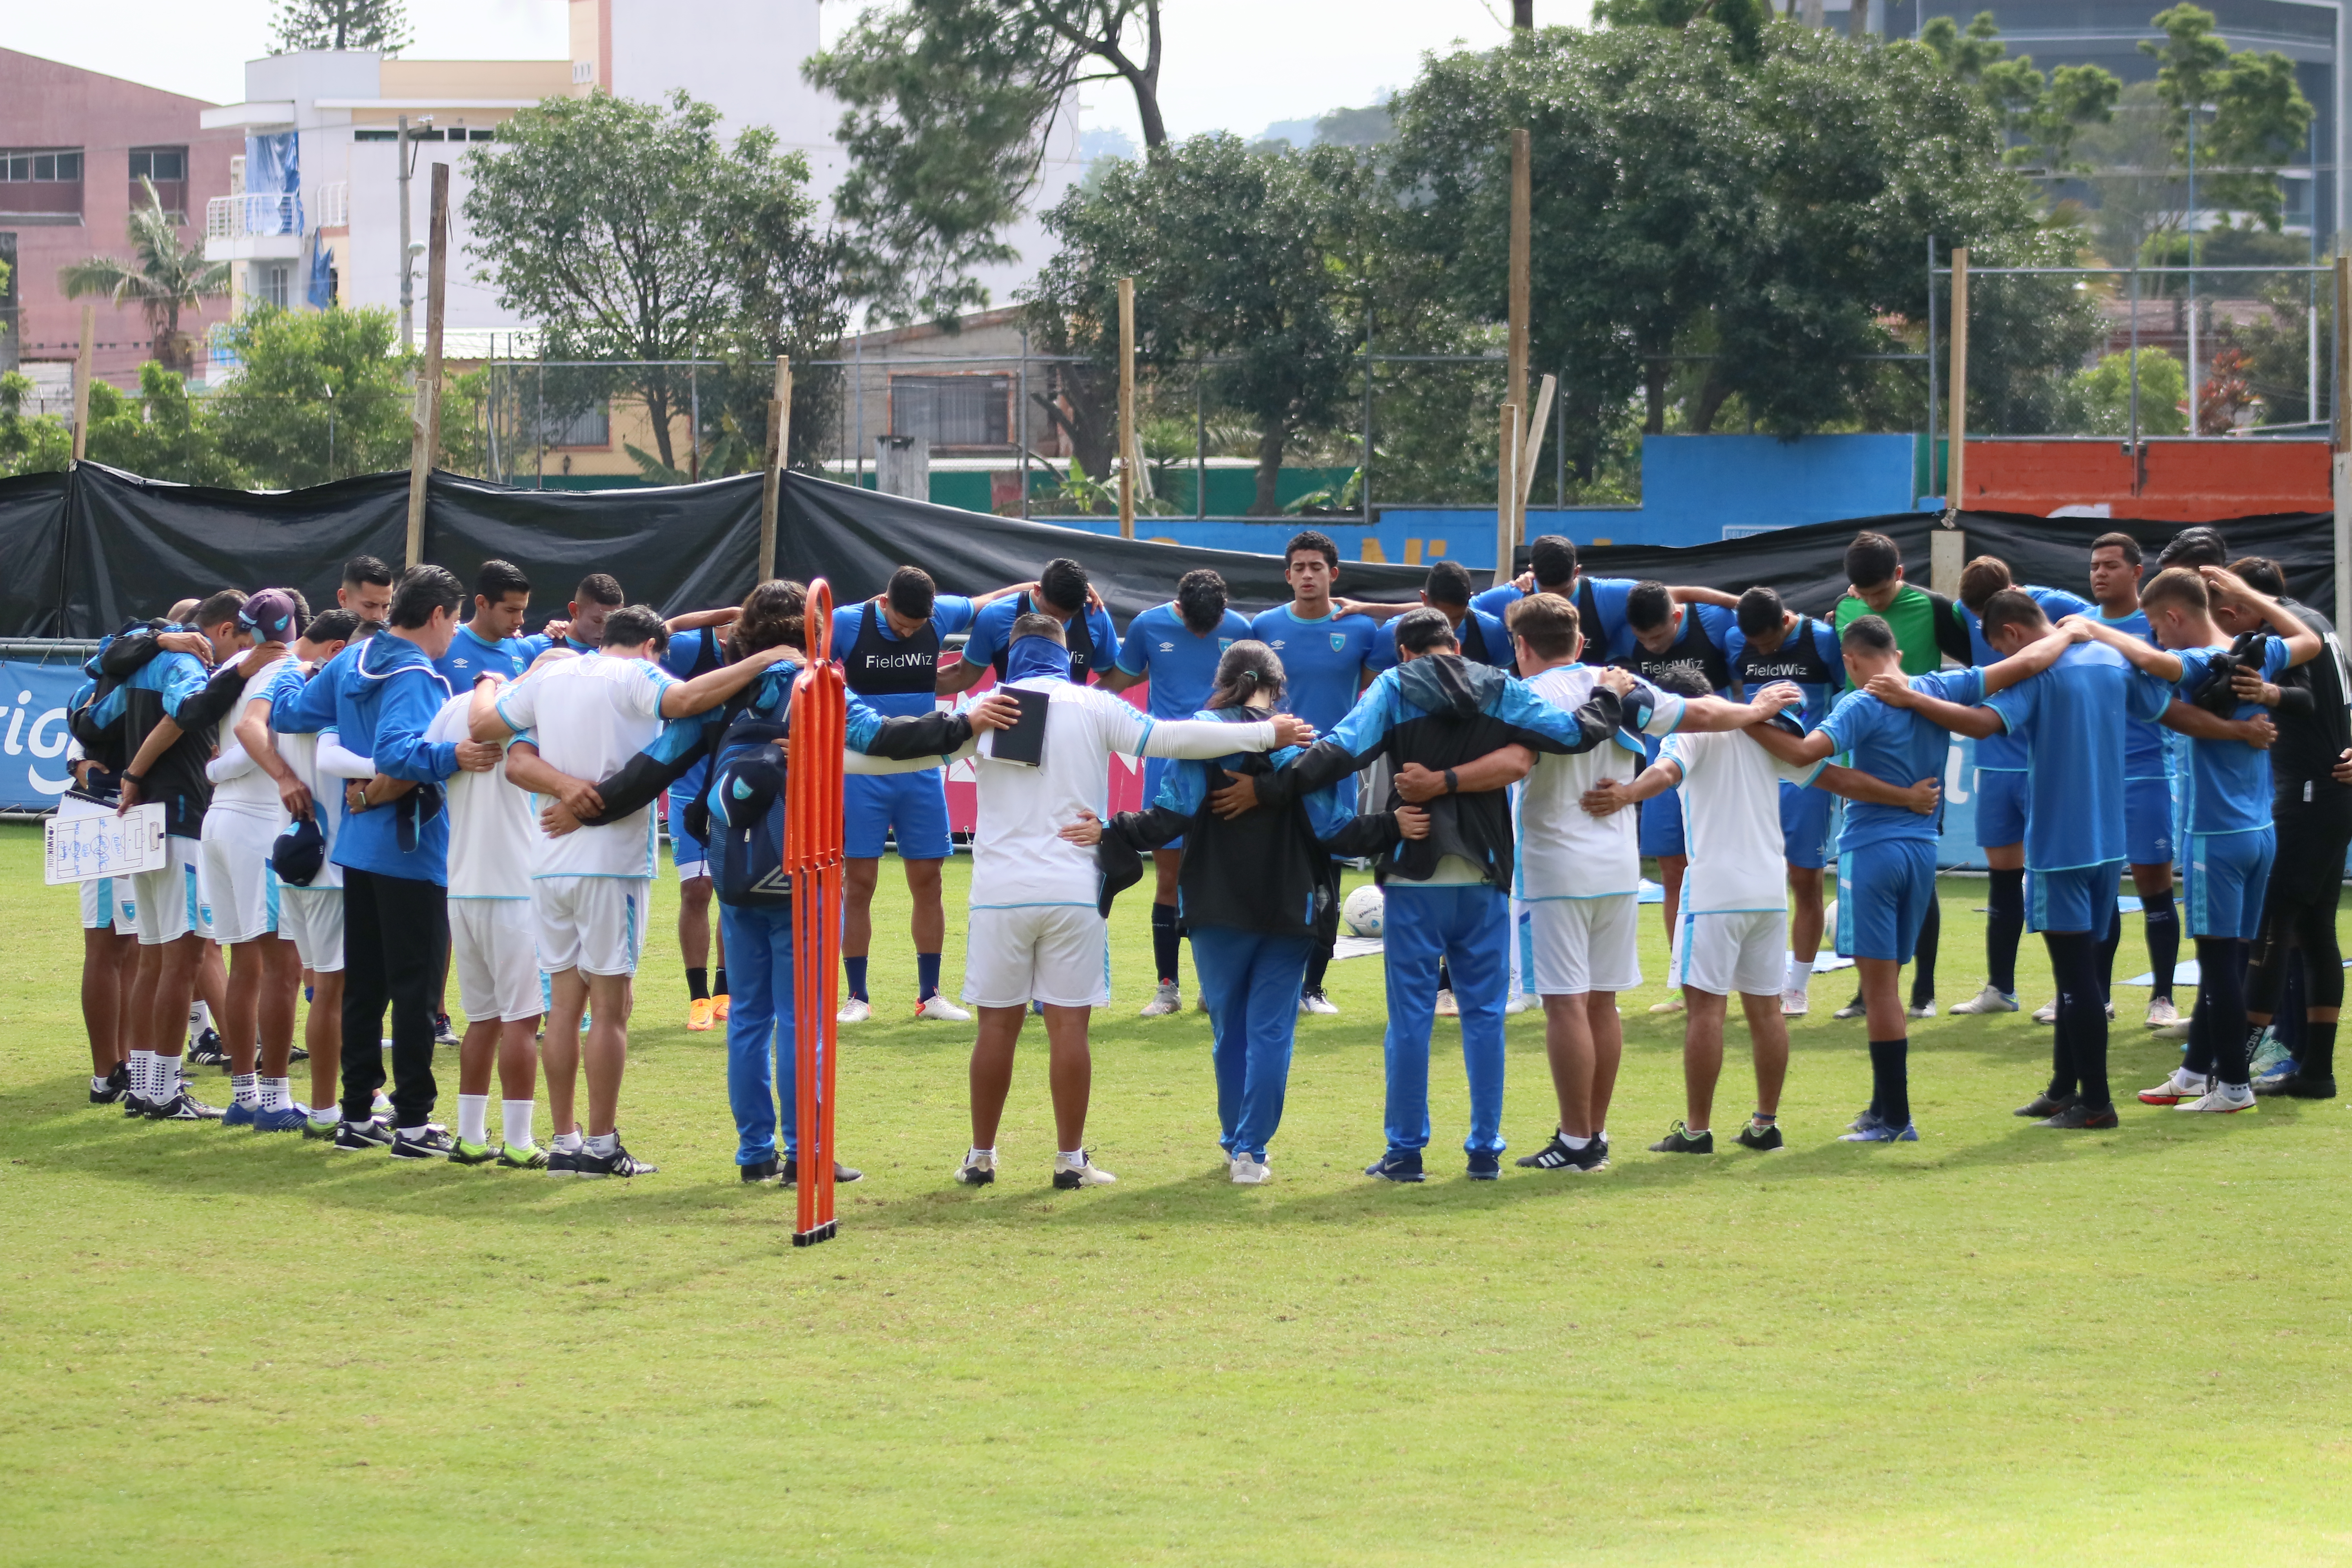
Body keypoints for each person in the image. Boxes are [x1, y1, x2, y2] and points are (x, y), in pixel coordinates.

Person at [1216, 607, 1630, 1182]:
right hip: (1485, 871)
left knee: (1411, 1020)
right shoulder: (1499, 684)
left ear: (1404, 653)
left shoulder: (1393, 686)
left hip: (1415, 870)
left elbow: (1337, 754)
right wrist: (1607, 694)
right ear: (1455, 645)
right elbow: (1574, 733)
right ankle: (1484, 1151)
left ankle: (1406, 1154)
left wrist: (1266, 788)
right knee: (1484, 1017)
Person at [951, 612, 1314, 1191]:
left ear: (1008, 655)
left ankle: (980, 1157)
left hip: (997, 893)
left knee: (996, 1028)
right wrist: (1266, 734)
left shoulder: (980, 709)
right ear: (1066, 654)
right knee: (1069, 1028)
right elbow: (1170, 738)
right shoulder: (1095, 704)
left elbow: (908, 752)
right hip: (1074, 888)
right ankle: (1070, 1160)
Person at [687, 581, 1025, 1182]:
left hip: (736, 869)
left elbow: (667, 747)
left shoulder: (718, 689)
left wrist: (589, 800)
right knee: (801, 1020)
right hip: (802, 869)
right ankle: (806, 1155)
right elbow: (882, 738)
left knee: (748, 1019)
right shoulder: (819, 686)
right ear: (815, 633)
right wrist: (963, 723)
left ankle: (755, 1156)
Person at [475, 604, 805, 1176]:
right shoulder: (637, 675)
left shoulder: (552, 675)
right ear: (652, 647)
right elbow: (687, 701)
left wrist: (561, 782)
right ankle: (602, 1145)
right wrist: (767, 658)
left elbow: (495, 739)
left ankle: (565, 1141)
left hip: (548, 859)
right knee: (611, 1009)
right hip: (611, 863)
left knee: (563, 1007)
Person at [1085, 641, 1424, 1182]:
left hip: (1215, 903)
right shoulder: (1305, 742)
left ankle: (1233, 1141)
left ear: (1222, 681)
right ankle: (1251, 1152)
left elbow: (1169, 817)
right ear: (1279, 685)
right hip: (1290, 905)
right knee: (1271, 1033)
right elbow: (1335, 830)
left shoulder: (1202, 735)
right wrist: (1392, 825)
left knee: (1230, 1034)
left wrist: (1109, 829)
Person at [1506, 593, 1816, 1173]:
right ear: (1580, 641)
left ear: (1521, 646)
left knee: (1567, 1006)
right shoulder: (1624, 687)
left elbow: (1671, 759)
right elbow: (1705, 716)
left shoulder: (1522, 694)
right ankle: (1598, 1134)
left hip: (1557, 868)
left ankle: (1579, 1140)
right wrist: (1754, 710)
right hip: (1623, 870)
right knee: (1605, 1003)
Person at [1745, 612, 2079, 1142]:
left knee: (1879, 992)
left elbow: (1805, 754)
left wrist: (1748, 719)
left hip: (1871, 852)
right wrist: (2072, 632)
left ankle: (1897, 1120)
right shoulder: (1937, 687)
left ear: (1850, 661)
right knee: (1891, 985)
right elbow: (2025, 662)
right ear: (1897, 654)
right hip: (1923, 852)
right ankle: (1882, 1107)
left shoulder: (1859, 703)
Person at [1581, 699, 1940, 1154]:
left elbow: (1667, 772)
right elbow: (1838, 779)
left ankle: (1696, 1131)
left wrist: (1627, 794)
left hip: (1714, 894)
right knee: (1767, 1011)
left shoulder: (1686, 732)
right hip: (1769, 894)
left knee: (1706, 1012)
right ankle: (1765, 1125)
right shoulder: (1766, 735)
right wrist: (1906, 797)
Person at [1869, 592, 2174, 1129]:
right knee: (2075, 974)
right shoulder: (2110, 658)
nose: (2003, 661)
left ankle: (2097, 1104)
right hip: (2109, 839)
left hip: (2061, 844)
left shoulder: (2038, 673)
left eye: (1999, 650)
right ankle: (2062, 1088)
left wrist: (1910, 697)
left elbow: (1979, 724)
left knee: (2076, 979)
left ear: (2011, 634)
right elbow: (2161, 705)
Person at [272, 566, 499, 1158]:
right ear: (438, 615)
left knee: (365, 988)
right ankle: (414, 1124)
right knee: (416, 991)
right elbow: (398, 753)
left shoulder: (353, 658)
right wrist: (455, 754)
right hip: (411, 847)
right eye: (455, 621)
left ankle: (355, 1116)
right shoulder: (415, 672)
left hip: (359, 846)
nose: (454, 634)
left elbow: (290, 713)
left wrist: (283, 666)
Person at [2079, 567, 2319, 1114]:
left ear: (2173, 616)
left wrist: (2093, 628)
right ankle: (2194, 1073)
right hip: (2259, 832)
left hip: (2216, 837)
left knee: (2218, 967)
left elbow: (2155, 662)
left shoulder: (2197, 661)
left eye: (2157, 625)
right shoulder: (2255, 653)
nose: (2157, 637)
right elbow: (2307, 640)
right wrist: (2251, 595)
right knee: (2229, 962)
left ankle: (2232, 1086)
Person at [113, 590, 289, 1120]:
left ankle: (146, 1086)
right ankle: (165, 1091)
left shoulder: (147, 657)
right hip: (185, 817)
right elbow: (184, 717)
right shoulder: (202, 666)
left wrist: (132, 774)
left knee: (155, 958)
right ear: (221, 631)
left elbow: (98, 714)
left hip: (157, 817)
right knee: (185, 960)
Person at [832, 566, 1027, 1024]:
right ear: (883, 602)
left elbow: (995, 600)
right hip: (862, 775)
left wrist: (1042, 588)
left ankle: (930, 995)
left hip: (921, 773)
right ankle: (857, 997)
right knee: (858, 885)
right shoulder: (845, 622)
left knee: (930, 882)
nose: (908, 633)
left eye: (917, 628)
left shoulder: (942, 615)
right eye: (901, 625)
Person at [2216, 555, 2349, 1099]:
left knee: (2271, 929)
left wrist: (2267, 695)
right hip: (2325, 794)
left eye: (2226, 607)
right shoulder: (2317, 624)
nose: (2225, 622)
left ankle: (2233, 1072)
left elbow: (2307, 699)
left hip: (2311, 795)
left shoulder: (2287, 635)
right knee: (2315, 931)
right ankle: (2315, 1071)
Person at [1827, 531, 1972, 1021]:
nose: (1871, 602)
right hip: (1866, 765)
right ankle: (1869, 991)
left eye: (1880, 593)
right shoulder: (1844, 610)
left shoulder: (1934, 609)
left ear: (1901, 575)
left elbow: (1979, 661)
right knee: (1866, 879)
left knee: (1921, 879)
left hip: (1921, 770)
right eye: (1863, 594)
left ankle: (1924, 991)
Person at [1098, 568, 1254, 1016]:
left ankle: (1215, 986)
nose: (1203, 634)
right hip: (1167, 770)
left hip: (1227, 770)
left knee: (1220, 879)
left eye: (1212, 627)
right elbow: (1112, 685)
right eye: (1193, 626)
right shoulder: (1148, 625)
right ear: (1179, 608)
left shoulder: (1242, 630)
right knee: (1168, 879)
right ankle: (1167, 988)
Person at [1942, 556, 2092, 1020]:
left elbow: (2102, 630)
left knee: (2059, 877)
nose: (1984, 624)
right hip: (1995, 764)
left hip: (2047, 763)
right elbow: (1926, 605)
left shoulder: (2057, 606)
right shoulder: (1963, 610)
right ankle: (2001, 988)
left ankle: (2073, 991)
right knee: (2003, 878)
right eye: (1977, 617)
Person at [423, 657, 557, 1167]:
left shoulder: (456, 707)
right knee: (522, 1020)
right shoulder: (532, 713)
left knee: (482, 1020)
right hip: (515, 888)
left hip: (463, 886)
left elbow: (425, 759)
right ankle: (519, 1143)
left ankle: (472, 1136)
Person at [1246, 531, 1387, 1014]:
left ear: (1334, 574)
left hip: (1333, 775)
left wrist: (1374, 607)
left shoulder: (1362, 629)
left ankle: (1313, 987)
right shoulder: (1263, 626)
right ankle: (1264, 982)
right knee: (1270, 875)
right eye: (1300, 568)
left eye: (1317, 567)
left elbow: (1436, 614)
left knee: (1326, 879)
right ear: (1288, 575)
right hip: (1275, 770)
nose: (1308, 575)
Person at [235, 608, 361, 1133]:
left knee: (297, 980)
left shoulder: (285, 684)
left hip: (293, 857)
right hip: (333, 864)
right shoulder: (338, 697)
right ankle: (328, 1110)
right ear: (338, 652)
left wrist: (283, 776)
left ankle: (282, 1098)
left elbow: (248, 727)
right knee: (330, 990)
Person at [197, 590, 309, 1131]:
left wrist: (214, 772)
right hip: (257, 826)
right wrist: (217, 771)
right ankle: (274, 1098)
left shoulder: (233, 666)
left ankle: (245, 1096)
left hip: (221, 823)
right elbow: (253, 741)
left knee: (247, 964)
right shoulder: (282, 668)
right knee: (282, 967)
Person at [1725, 585, 1845, 1016]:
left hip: (1805, 780)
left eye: (1770, 642)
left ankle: (1796, 987)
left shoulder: (1823, 641)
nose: (1762, 650)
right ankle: (1760, 979)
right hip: (1751, 778)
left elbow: (1848, 695)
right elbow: (1737, 700)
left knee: (1805, 881)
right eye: (1754, 645)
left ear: (1786, 621)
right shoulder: (1735, 640)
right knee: (1746, 879)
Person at [2081, 532, 2185, 1031]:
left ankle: (2163, 997)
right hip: (2095, 778)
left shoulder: (2155, 625)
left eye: (2110, 565)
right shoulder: (2080, 625)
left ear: (2137, 572)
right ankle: (2098, 996)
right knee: (2100, 886)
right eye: (2094, 566)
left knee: (2154, 887)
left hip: (2148, 774)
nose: (2100, 573)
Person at [1619, 580, 1738, 1003]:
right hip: (1663, 765)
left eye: (1658, 637)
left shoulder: (1717, 624)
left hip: (1715, 765)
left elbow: (1742, 684)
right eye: (1643, 640)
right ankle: (1685, 983)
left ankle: (1737, 978)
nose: (1651, 647)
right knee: (1673, 872)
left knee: (1720, 869)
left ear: (1676, 617)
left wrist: (1735, 599)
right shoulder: (1626, 626)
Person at [941, 556, 1121, 690]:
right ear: (1037, 590)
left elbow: (1118, 676)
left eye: (1068, 618)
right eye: (1052, 614)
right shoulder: (996, 616)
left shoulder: (1094, 614)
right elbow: (962, 676)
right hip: (1012, 722)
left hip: (1071, 723)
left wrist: (1086, 704)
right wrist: (921, 680)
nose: (1058, 625)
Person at [516, 572, 624, 660]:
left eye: (611, 622)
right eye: (597, 621)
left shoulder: (622, 653)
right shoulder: (535, 646)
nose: (604, 630)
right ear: (575, 611)